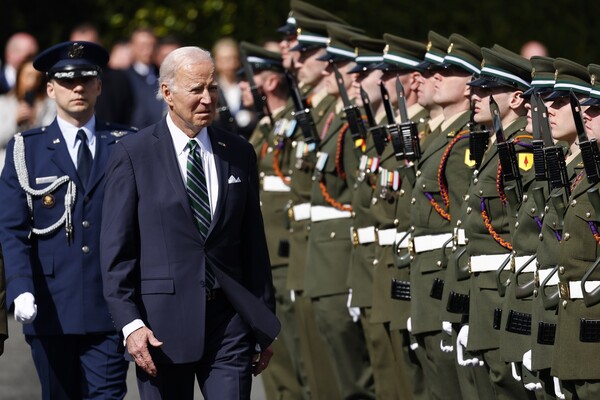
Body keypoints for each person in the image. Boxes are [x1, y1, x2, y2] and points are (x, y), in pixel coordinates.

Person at [100, 46, 280, 400]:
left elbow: (252, 244)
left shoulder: (239, 151)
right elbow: (116, 251)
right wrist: (130, 324)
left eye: (212, 88)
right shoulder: (133, 154)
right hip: (160, 329)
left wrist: (262, 320)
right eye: (196, 89)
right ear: (167, 93)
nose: (207, 98)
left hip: (229, 322)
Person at [0, 40, 135, 399]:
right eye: (66, 81)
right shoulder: (26, 149)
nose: (77, 88)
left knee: (107, 395)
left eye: (87, 80)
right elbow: (12, 229)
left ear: (99, 86)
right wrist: (20, 287)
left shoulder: (127, 145)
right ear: (50, 88)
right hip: (51, 305)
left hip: (110, 306)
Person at [69, 22, 135, 126]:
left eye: (89, 46)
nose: (83, 52)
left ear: (99, 44)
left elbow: (129, 115)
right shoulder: (62, 81)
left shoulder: (118, 79)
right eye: (77, 47)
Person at [0, 56, 56, 169]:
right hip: (6, 167)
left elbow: (53, 139)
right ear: (18, 76)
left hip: (37, 167)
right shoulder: (3, 103)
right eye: (28, 76)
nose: (32, 82)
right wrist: (15, 122)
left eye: (37, 77)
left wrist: (35, 122)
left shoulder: (49, 105)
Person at [126, 28, 164, 129]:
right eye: (143, 46)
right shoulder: (123, 78)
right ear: (132, 47)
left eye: (152, 45)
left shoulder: (162, 76)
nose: (148, 50)